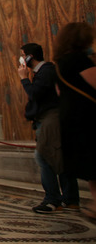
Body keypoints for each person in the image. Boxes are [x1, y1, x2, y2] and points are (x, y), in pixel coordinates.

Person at [19, 43, 79, 213]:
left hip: (50, 120)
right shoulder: (45, 71)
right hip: (49, 119)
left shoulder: (46, 71)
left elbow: (35, 94)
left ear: (30, 57)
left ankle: (53, 199)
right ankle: (71, 199)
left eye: (23, 55)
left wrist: (24, 78)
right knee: (59, 157)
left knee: (44, 157)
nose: (22, 59)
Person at [54, 22, 96, 220]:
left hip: (69, 117)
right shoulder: (80, 60)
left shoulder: (60, 63)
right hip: (88, 116)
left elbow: (59, 92)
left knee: (91, 166)